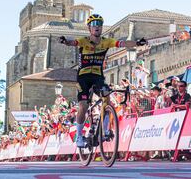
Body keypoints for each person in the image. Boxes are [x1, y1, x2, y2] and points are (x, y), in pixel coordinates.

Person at [59, 13, 147, 147]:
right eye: (94, 25)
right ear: (89, 28)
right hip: (83, 77)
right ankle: (80, 136)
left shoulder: (106, 42)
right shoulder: (83, 41)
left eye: (99, 25)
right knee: (83, 105)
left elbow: (122, 43)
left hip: (97, 77)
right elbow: (72, 42)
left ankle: (105, 130)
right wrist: (65, 41)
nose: (97, 27)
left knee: (107, 100)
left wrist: (137, 43)